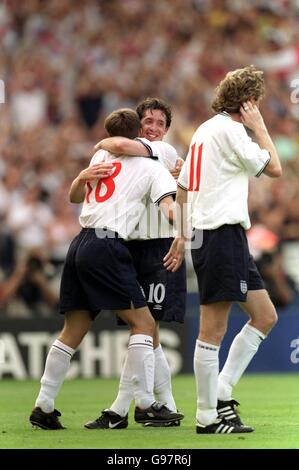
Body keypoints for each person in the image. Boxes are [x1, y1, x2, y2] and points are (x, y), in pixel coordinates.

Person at [29, 108, 183, 430]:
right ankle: (144, 403)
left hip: (80, 244)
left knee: (73, 329)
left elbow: (76, 197)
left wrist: (80, 176)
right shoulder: (151, 166)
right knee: (144, 324)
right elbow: (169, 209)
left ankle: (43, 404)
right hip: (108, 246)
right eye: (147, 124)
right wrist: (185, 229)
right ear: (137, 131)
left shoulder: (101, 154)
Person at [164, 66, 281, 434]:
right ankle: (206, 416)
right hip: (220, 234)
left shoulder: (204, 130)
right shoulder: (232, 132)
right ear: (249, 102)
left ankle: (223, 390)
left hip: (219, 235)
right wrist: (260, 126)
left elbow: (182, 187)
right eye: (256, 100)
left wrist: (183, 233)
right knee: (213, 329)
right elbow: (275, 167)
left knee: (265, 316)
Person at [84, 98, 187, 430]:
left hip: (158, 247)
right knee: (144, 329)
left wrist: (102, 141)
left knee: (148, 326)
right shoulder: (129, 155)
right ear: (138, 124)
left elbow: (115, 142)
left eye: (159, 123)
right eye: (147, 121)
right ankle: (153, 405)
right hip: (128, 247)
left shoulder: (164, 151)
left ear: (166, 130)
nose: (153, 127)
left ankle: (125, 408)